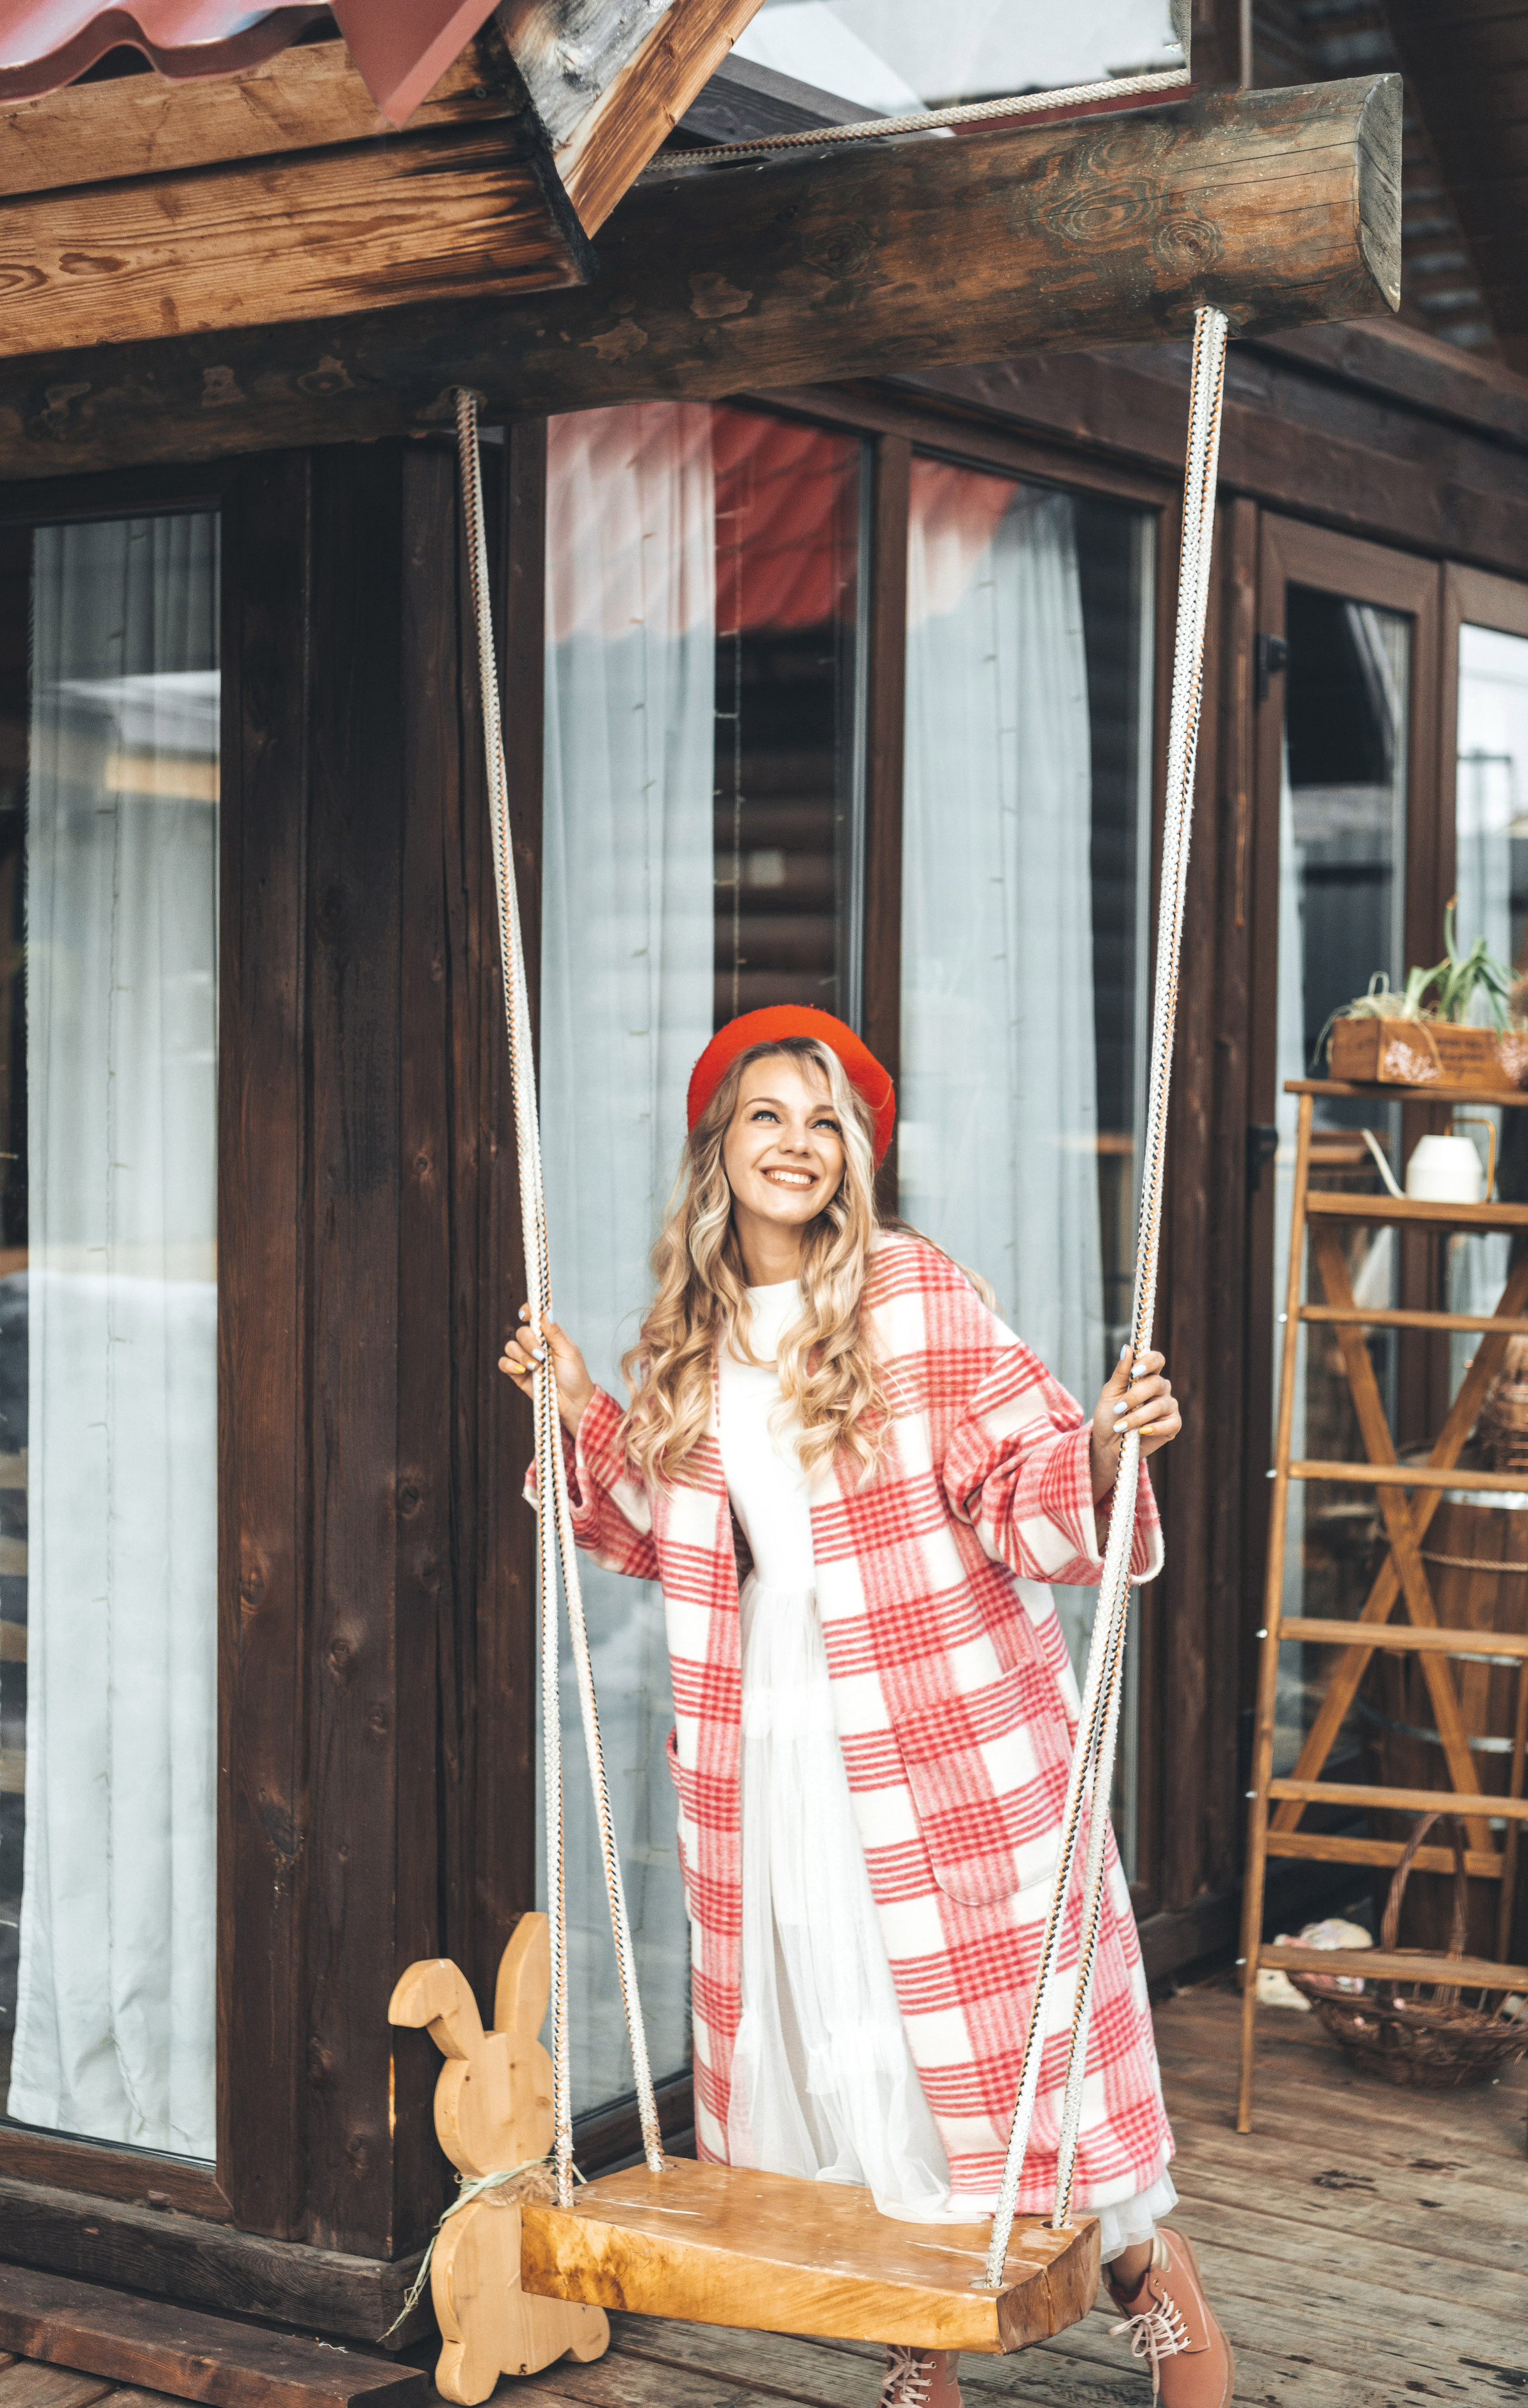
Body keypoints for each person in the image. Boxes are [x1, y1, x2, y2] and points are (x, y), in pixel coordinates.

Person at [501, 1006, 1234, 2408]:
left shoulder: (911, 1296)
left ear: (854, 1154)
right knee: (850, 2030)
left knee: (989, 2024)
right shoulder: (693, 1332)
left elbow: (1010, 1476)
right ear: (719, 1147)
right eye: (765, 1117)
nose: (796, 1145)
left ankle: (1150, 2277)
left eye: (823, 1122)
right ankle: (918, 2349)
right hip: (777, 1725)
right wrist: (587, 1405)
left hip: (937, 1709)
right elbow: (665, 1534)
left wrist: (1093, 1451)